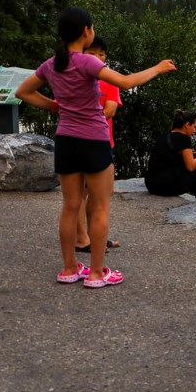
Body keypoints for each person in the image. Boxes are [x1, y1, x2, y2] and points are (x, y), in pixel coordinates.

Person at [15, 6, 175, 288]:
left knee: (69, 207)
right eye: (93, 28)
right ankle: (97, 273)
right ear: (86, 31)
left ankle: (68, 269)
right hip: (94, 141)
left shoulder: (51, 64)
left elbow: (23, 92)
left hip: (66, 141)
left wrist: (55, 106)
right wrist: (159, 68)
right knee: (99, 208)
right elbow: (125, 83)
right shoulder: (87, 63)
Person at [75, 36, 121, 253]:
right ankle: (81, 238)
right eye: (92, 53)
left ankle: (97, 235)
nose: (98, 58)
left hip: (103, 142)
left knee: (101, 193)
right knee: (79, 193)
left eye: (102, 54)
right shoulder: (75, 77)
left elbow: (111, 109)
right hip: (79, 141)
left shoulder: (109, 80)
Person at [145, 109, 196, 213]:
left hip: (151, 184)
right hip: (165, 186)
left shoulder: (165, 135)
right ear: (187, 125)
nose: (194, 131)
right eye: (194, 126)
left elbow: (174, 158)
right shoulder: (183, 138)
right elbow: (191, 166)